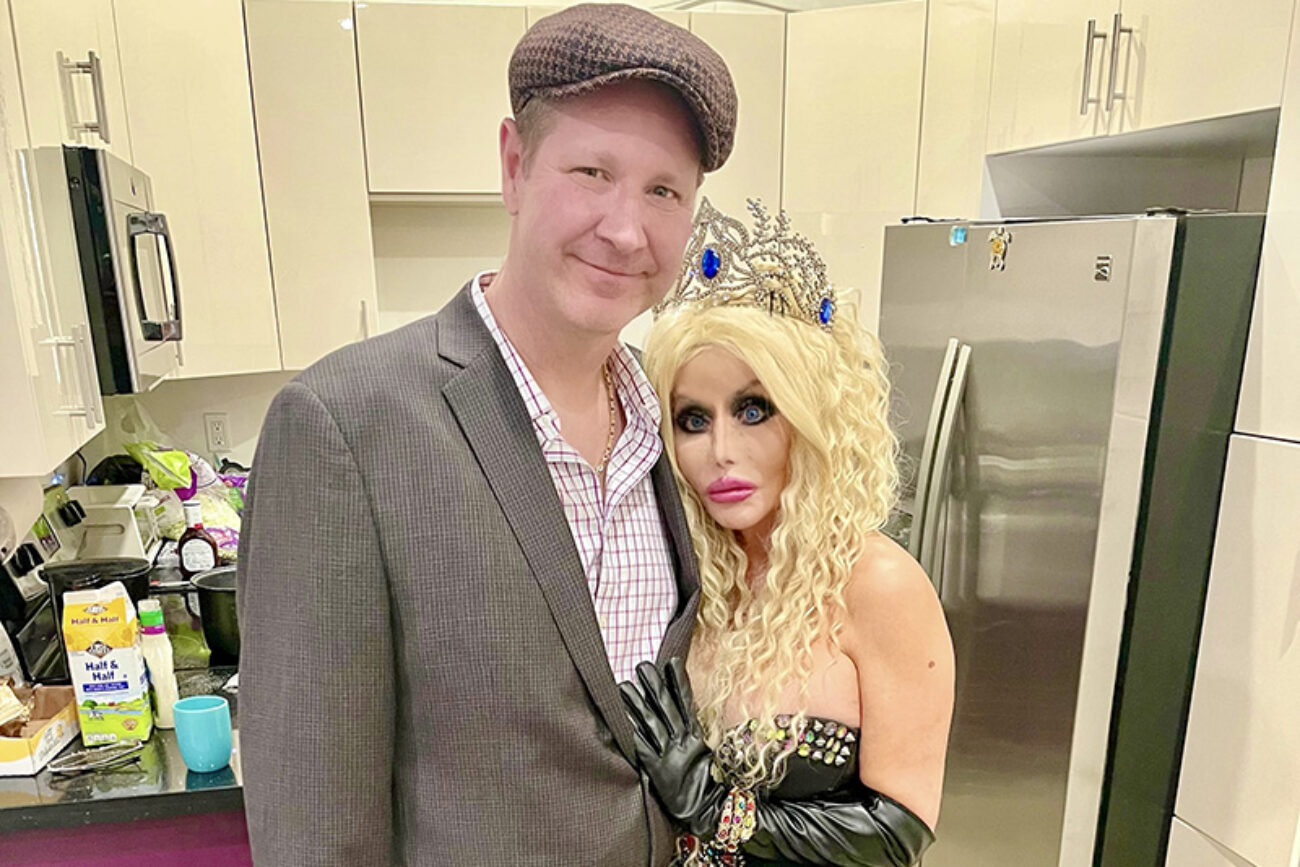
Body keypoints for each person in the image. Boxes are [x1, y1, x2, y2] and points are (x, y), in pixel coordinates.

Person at [235, 6, 737, 865]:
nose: (626, 230)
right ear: (514, 166)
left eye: (664, 191)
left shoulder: (672, 421)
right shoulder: (344, 427)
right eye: (592, 172)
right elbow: (314, 826)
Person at [619, 199, 955, 866]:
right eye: (692, 419)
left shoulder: (878, 584)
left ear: (809, 417)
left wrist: (714, 806)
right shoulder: (694, 576)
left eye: (753, 409)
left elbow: (898, 834)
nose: (721, 451)